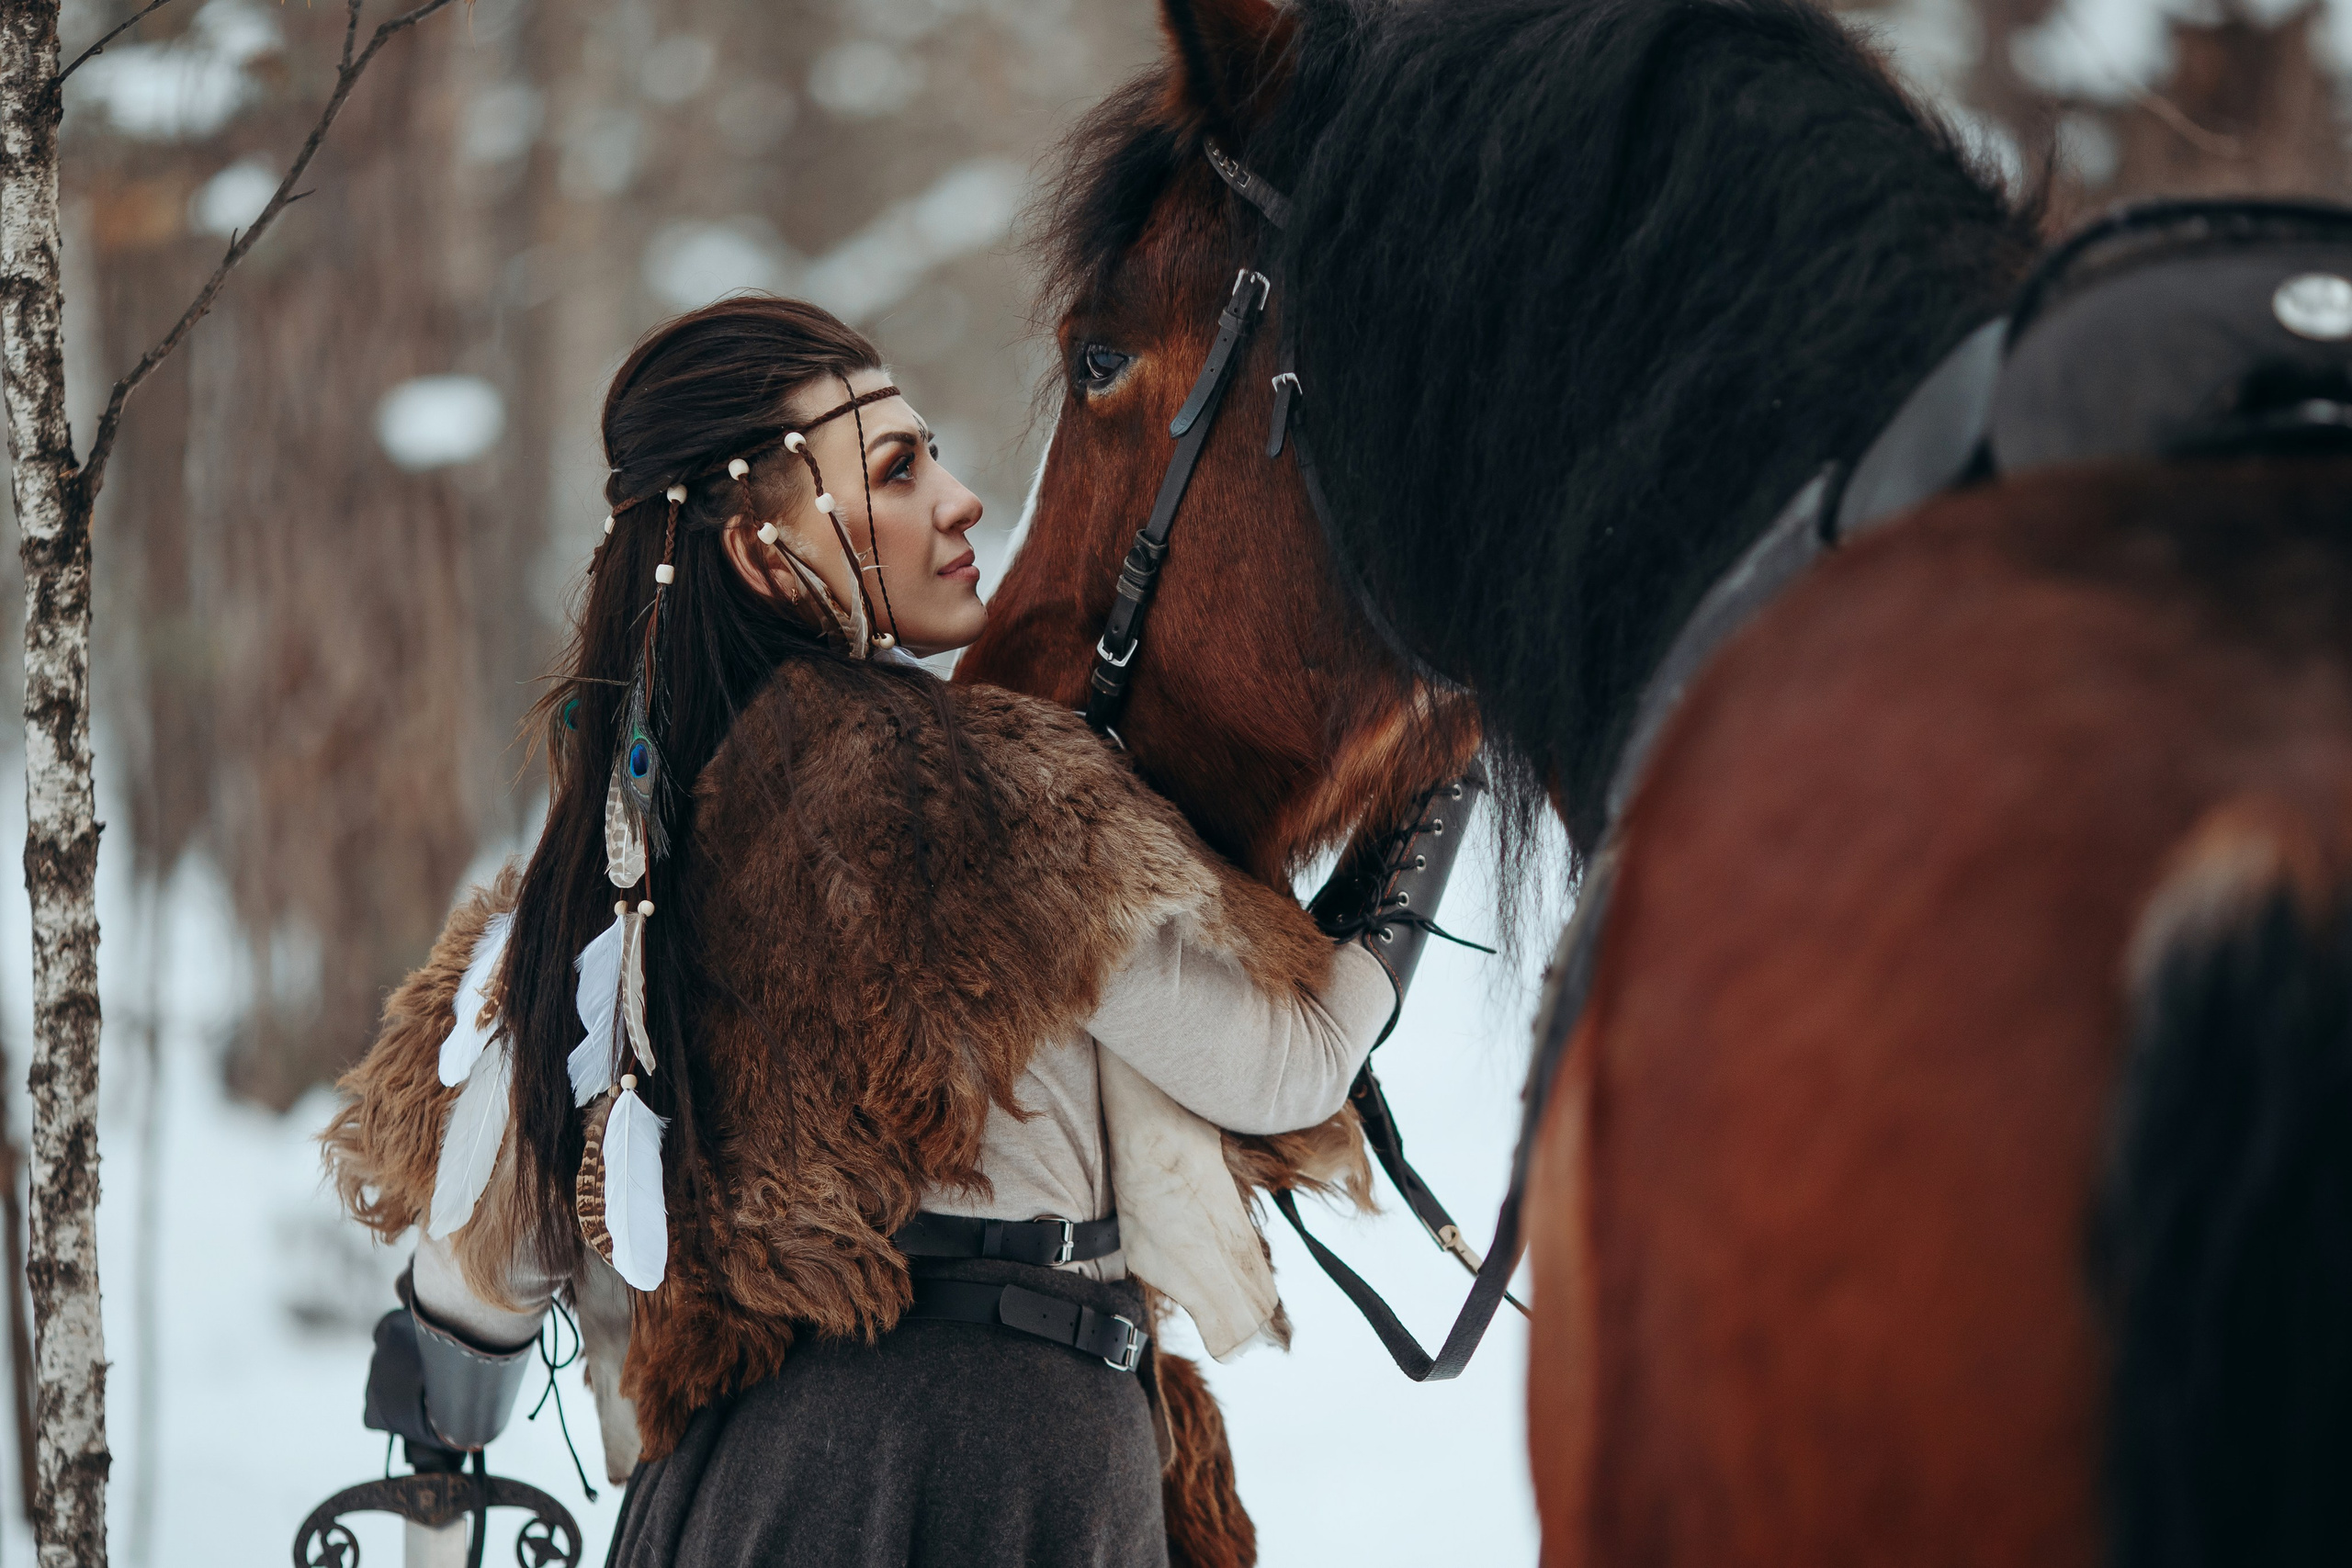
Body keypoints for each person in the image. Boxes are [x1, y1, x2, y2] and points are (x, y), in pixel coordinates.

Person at [322, 296, 1438, 1567]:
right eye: (899, 471)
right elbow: (1282, 1070)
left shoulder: (610, 858)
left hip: (727, 1497)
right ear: (761, 554)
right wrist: (1437, 788)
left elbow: (477, 1271)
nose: (962, 502)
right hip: (993, 1466)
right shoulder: (982, 785)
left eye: (935, 457)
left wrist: (436, 1477)